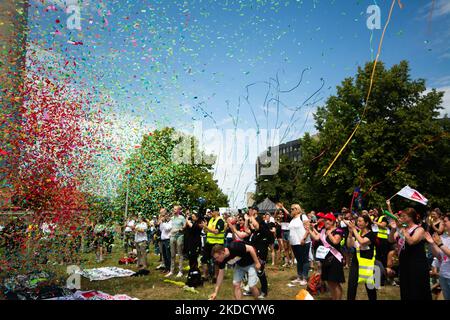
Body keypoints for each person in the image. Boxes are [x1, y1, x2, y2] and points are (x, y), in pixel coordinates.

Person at [388, 207, 432, 300]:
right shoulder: (401, 228)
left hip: (417, 266)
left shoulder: (419, 229)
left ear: (410, 218)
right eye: (401, 216)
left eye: (404, 216)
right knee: (405, 291)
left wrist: (402, 228)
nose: (401, 218)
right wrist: (393, 229)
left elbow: (411, 241)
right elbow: (391, 239)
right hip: (404, 265)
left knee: (417, 292)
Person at [309, 213, 345, 300]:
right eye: (325, 220)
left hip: (335, 259)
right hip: (326, 259)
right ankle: (333, 298)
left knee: (335, 282)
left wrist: (329, 234)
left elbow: (336, 241)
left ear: (333, 221)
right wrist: (309, 230)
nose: (326, 222)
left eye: (328, 220)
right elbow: (317, 238)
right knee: (329, 281)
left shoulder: (338, 231)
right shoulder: (323, 230)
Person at [346, 214, 377, 300]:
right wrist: (350, 232)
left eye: (360, 221)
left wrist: (354, 230)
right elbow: (349, 245)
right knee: (352, 284)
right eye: (357, 221)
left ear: (366, 223)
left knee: (370, 286)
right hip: (356, 261)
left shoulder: (371, 234)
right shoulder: (358, 233)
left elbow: (362, 241)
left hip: (367, 262)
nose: (358, 223)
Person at [246, 206, 274, 299]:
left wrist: (251, 216)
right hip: (254, 250)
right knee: (251, 271)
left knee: (260, 271)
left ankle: (264, 291)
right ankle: (252, 289)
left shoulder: (260, 223)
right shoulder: (255, 229)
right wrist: (247, 220)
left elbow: (257, 225)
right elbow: (247, 229)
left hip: (261, 251)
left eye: (252, 210)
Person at [424, 212, 450, 300]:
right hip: (443, 275)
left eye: (445, 221)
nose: (443, 223)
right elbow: (439, 256)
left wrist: (440, 244)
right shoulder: (443, 237)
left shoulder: (441, 240)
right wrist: (432, 243)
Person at [288, 204, 310, 286]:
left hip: (303, 242)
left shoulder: (303, 216)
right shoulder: (293, 219)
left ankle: (304, 278)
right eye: (291, 209)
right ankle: (299, 277)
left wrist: (303, 238)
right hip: (294, 243)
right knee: (299, 260)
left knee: (304, 260)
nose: (291, 210)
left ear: (297, 209)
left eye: (292, 209)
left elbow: (308, 229)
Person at [201, 207, 225, 282]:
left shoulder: (220, 221)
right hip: (209, 243)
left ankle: (215, 276)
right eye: (210, 211)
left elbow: (216, 232)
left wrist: (206, 227)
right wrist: (205, 227)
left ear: (217, 212)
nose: (211, 213)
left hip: (217, 243)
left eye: (212, 211)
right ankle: (205, 275)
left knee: (216, 261)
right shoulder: (211, 220)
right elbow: (206, 231)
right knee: (204, 259)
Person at [167, 205, 186, 278]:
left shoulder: (182, 218)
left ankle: (180, 271)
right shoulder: (172, 218)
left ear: (179, 210)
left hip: (179, 236)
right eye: (173, 209)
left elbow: (184, 226)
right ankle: (172, 270)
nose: (174, 210)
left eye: (175, 209)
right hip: (172, 236)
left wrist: (180, 229)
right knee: (172, 254)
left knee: (180, 254)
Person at [277, 202, 293, 267]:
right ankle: (287, 261)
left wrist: (282, 207)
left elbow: (289, 214)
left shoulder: (288, 215)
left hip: (289, 232)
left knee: (290, 248)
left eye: (282, 212)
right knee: (285, 248)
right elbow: (275, 216)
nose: (281, 213)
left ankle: (292, 261)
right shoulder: (281, 217)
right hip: (283, 232)